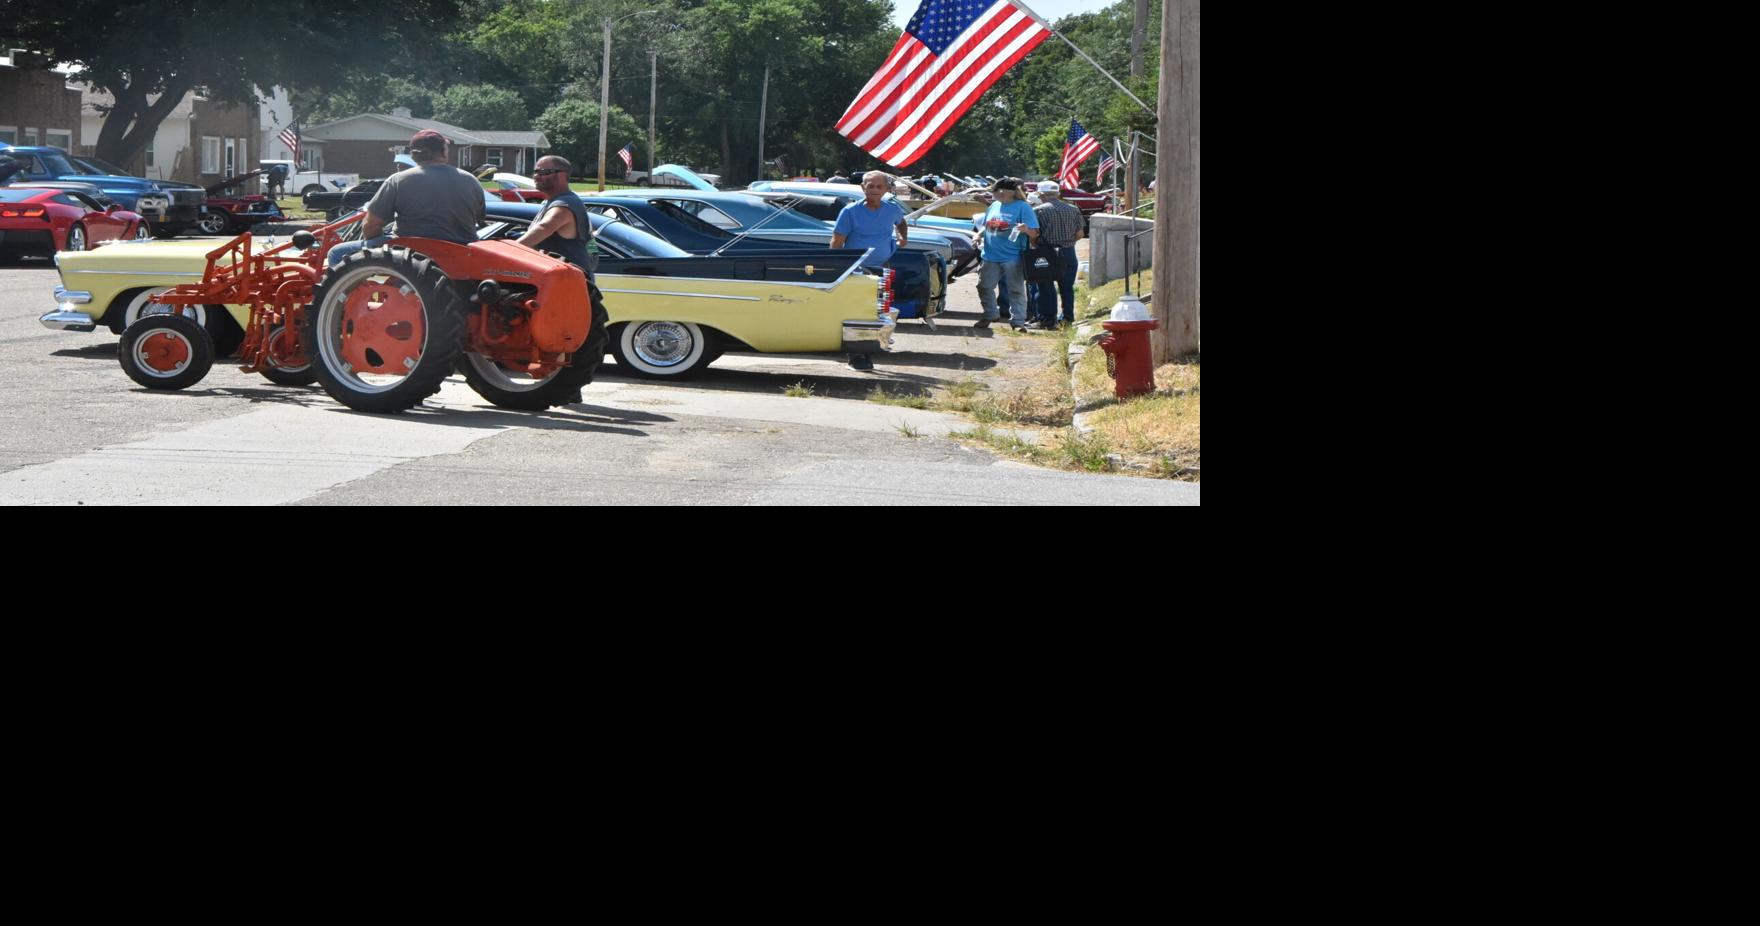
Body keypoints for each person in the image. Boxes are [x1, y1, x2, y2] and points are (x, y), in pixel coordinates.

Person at [327, 129, 484, 268]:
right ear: (443, 152)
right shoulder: (471, 180)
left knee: (336, 252)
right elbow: (479, 217)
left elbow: (371, 226)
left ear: (414, 155)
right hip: (461, 252)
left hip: (411, 253)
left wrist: (377, 257)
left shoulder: (398, 180)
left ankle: (347, 298)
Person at [971, 177, 1038, 331]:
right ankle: (990, 314)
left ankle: (1018, 322)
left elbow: (1034, 233)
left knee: (1016, 289)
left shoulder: (1023, 207)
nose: (993, 194)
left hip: (1013, 256)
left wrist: (1026, 229)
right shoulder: (994, 205)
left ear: (1005, 192)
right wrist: (978, 235)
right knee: (984, 286)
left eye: (994, 191)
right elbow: (987, 225)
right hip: (990, 255)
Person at [516, 155, 595, 274]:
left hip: (569, 282)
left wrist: (509, 250)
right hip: (558, 279)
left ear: (562, 175)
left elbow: (544, 227)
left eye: (544, 172)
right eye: (536, 172)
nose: (537, 176)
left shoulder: (564, 205)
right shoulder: (555, 201)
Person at [1028, 180, 1084, 328]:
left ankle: (1047, 319)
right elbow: (1080, 234)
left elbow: (1034, 234)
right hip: (1068, 251)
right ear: (1058, 193)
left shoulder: (1038, 210)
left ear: (1040, 194)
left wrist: (1035, 244)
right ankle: (1067, 318)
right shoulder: (1073, 209)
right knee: (1066, 287)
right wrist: (1067, 242)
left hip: (1046, 251)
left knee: (1045, 287)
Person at [831, 170, 909, 270]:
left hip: (883, 266)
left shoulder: (892, 209)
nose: (875, 190)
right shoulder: (850, 211)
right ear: (863, 187)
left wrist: (903, 238)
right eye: (871, 186)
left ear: (886, 189)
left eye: (879, 187)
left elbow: (901, 222)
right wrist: (837, 268)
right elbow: (836, 243)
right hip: (856, 269)